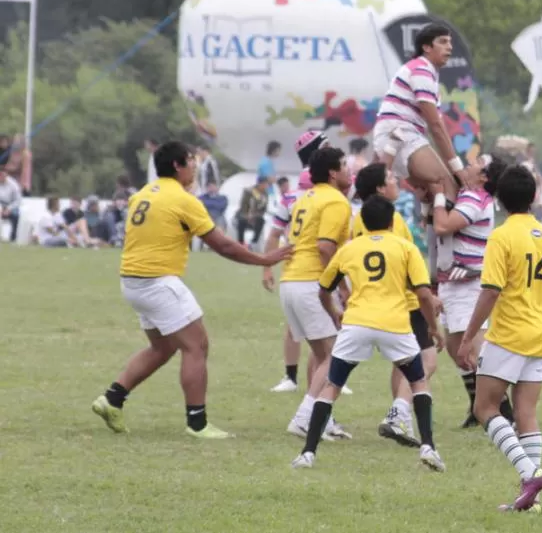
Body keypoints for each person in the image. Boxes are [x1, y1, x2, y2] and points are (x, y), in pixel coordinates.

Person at [91, 141, 292, 438]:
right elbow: (222, 245)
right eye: (191, 161)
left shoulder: (143, 194)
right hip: (157, 281)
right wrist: (263, 259)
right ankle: (197, 423)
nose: (195, 166)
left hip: (132, 280)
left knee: (163, 347)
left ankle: (111, 399)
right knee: (196, 346)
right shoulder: (183, 199)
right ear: (177, 165)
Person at [291, 195, 446, 472]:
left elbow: (323, 290)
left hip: (357, 323)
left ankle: (308, 454)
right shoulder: (406, 248)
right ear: (391, 221)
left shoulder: (349, 249)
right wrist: (434, 328)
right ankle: (429, 448)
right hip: (395, 325)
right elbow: (423, 293)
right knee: (418, 382)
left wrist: (335, 314)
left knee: (332, 386)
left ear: (362, 221)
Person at [457, 165, 542, 512]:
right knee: (526, 412)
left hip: (508, 335)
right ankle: (531, 501)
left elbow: (490, 290)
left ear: (498, 200)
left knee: (484, 408)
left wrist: (468, 337)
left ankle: (530, 472)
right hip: (540, 335)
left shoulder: (502, 236)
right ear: (535, 197)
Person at [351, 162, 441, 446]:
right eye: (390, 177)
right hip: (407, 300)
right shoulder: (393, 220)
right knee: (428, 359)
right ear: (380, 188)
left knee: (403, 363)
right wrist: (427, 294)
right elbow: (405, 261)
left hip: (377, 299)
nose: (396, 180)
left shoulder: (358, 219)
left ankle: (400, 418)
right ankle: (398, 412)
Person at [371, 23, 476, 257]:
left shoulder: (424, 71)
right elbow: (436, 126)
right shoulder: (422, 69)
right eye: (443, 42)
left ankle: (433, 266)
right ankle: (448, 262)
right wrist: (456, 167)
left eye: (450, 42)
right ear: (426, 47)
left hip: (398, 134)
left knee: (434, 193)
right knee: (450, 185)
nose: (449, 47)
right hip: (400, 133)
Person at [430, 154, 513, 428]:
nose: (470, 162)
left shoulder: (475, 199)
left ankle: (504, 412)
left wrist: (439, 196)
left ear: (484, 177)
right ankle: (477, 407)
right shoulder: (470, 195)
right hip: (453, 282)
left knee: (476, 350)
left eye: (478, 162)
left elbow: (442, 226)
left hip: (467, 283)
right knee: (456, 348)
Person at [278, 147, 354, 441]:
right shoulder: (335, 200)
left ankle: (323, 419)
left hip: (292, 280)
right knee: (334, 356)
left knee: (323, 354)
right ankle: (304, 417)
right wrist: (342, 287)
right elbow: (325, 247)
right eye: (345, 165)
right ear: (334, 173)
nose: (350, 171)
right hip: (311, 282)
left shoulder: (306, 197)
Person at [263, 130, 332, 393]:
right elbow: (274, 233)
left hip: (310, 271)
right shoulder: (302, 193)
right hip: (307, 270)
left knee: (316, 330)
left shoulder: (300, 192)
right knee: (307, 329)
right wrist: (267, 266)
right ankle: (299, 380)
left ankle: (318, 378)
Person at [0, 169, 21, 242]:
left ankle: (13, 238)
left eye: (2, 175)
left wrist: (8, 209)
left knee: (16, 215)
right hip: (0, 205)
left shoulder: (13, 184)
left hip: (11, 205)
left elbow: (18, 200)